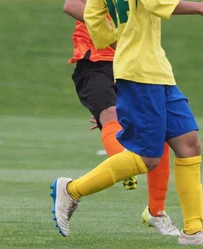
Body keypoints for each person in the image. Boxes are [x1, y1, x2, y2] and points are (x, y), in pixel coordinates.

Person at [51, 0, 203, 247]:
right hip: (141, 73)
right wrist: (200, 7)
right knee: (148, 157)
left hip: (157, 69)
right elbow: (156, 2)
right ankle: (72, 190)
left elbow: (92, 14)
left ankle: (193, 231)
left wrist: (118, 43)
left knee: (189, 144)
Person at [62, 0, 178, 236]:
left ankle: (156, 212)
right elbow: (72, 5)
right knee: (109, 115)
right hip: (95, 60)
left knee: (161, 131)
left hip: (132, 64)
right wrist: (114, 32)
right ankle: (122, 160)